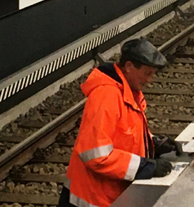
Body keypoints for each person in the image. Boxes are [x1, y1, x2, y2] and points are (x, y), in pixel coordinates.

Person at [60, 38, 182, 207]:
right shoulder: (106, 96)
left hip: (107, 194)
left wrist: (153, 143)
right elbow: (96, 155)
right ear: (129, 66)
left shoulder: (127, 91)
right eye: (147, 73)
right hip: (92, 199)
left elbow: (125, 134)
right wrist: (144, 166)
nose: (150, 80)